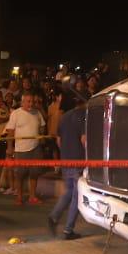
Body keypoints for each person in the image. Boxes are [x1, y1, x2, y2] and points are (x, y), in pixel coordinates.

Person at [49, 91, 88, 239]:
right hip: (78, 161)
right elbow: (84, 140)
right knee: (77, 197)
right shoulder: (84, 116)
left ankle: (53, 216)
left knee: (69, 192)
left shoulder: (64, 117)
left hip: (66, 159)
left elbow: (59, 141)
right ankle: (68, 230)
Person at [5, 91, 48, 207]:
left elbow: (42, 126)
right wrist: (10, 147)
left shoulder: (37, 112)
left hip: (36, 148)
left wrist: (42, 135)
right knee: (20, 175)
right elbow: (10, 131)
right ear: (22, 102)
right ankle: (19, 196)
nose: (31, 103)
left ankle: (32, 196)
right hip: (21, 149)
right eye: (28, 101)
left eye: (32, 101)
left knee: (34, 173)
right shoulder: (16, 114)